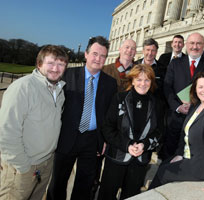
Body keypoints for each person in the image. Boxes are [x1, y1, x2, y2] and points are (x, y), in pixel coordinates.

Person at [47, 36, 117, 200]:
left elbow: (109, 115)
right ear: (86, 54)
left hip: (93, 140)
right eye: (95, 53)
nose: (98, 59)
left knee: (85, 185)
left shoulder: (110, 83)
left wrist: (106, 138)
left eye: (102, 56)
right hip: (67, 137)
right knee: (58, 182)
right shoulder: (67, 75)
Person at [149, 72, 204, 200]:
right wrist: (179, 154)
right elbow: (185, 134)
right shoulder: (196, 106)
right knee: (165, 163)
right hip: (190, 155)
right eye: (200, 87)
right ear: (195, 89)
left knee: (164, 172)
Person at [0, 45, 68, 200]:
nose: (55, 69)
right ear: (39, 64)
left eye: (61, 64)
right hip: (22, 167)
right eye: (51, 63)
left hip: (45, 164)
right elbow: (7, 131)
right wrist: (23, 166)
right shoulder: (23, 87)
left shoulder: (59, 90)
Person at [98, 64, 164, 200]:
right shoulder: (119, 98)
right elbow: (107, 127)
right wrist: (127, 145)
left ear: (151, 82)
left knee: (131, 196)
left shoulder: (157, 103)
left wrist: (144, 145)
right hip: (116, 157)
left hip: (140, 161)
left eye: (147, 80)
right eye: (139, 79)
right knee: (106, 195)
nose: (143, 83)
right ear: (132, 81)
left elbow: (159, 132)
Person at [162, 32, 204, 160]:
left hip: (199, 119)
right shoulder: (175, 63)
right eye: (192, 43)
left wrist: (197, 108)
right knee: (169, 153)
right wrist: (177, 106)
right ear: (186, 45)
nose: (195, 46)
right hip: (176, 117)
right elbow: (167, 87)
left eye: (198, 43)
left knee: (191, 154)